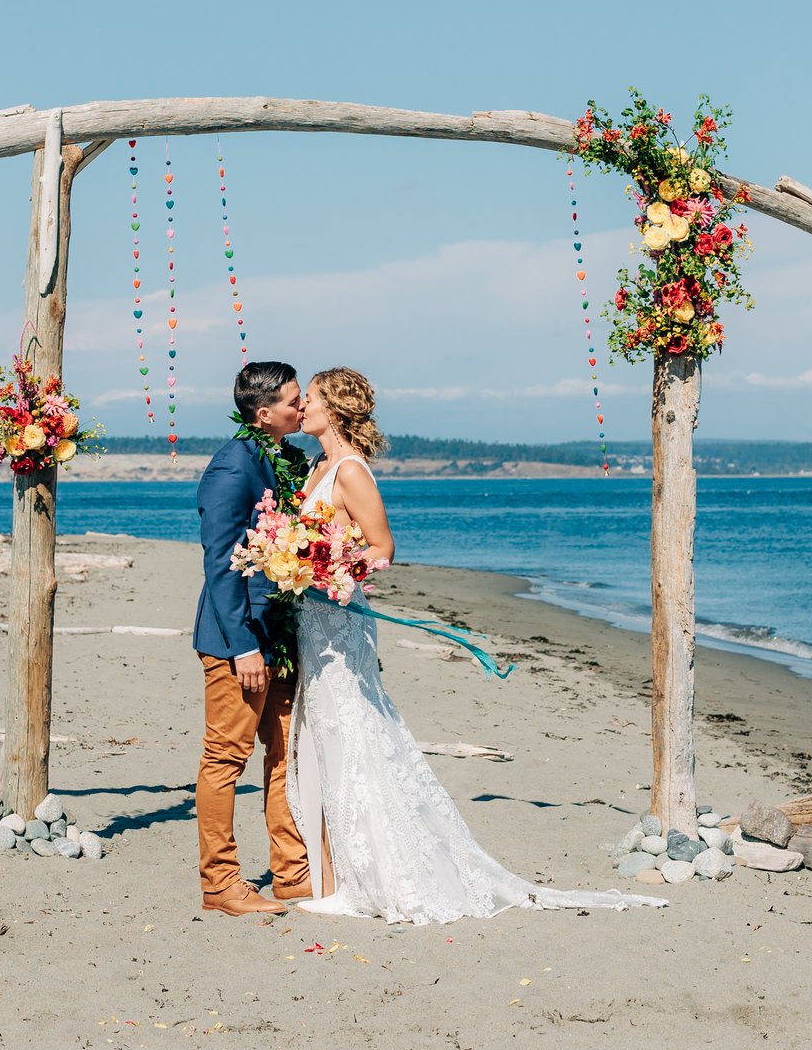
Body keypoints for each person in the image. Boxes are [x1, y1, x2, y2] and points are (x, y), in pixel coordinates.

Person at [285, 366, 665, 922]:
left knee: (355, 732)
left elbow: (382, 547)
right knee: (328, 736)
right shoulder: (317, 464)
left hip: (339, 622)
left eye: (312, 399)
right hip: (312, 620)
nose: (303, 407)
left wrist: (329, 570)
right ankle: (347, 871)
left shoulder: (349, 470)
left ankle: (380, 880)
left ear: (335, 411)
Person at [191, 360, 314, 916]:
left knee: (284, 753)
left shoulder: (283, 458)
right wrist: (242, 646)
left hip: (281, 629)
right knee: (225, 759)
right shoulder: (231, 469)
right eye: (293, 400)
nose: (302, 406)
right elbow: (220, 564)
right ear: (264, 413)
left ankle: (291, 873)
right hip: (236, 640)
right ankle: (219, 883)